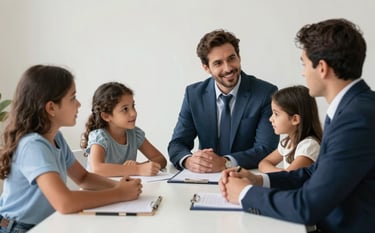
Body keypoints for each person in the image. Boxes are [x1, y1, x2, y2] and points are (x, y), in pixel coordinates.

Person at [219, 18, 375, 233]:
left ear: (322, 68)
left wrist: (245, 194)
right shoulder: (352, 108)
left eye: (303, 63)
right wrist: (258, 180)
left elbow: (308, 206)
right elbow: (314, 172)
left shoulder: (356, 118)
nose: (303, 73)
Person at [0, 65, 142, 232]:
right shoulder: (32, 145)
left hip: (46, 223)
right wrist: (119, 193)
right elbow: (65, 202)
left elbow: (83, 178)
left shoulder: (55, 137)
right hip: (19, 228)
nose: (79, 104)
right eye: (73, 98)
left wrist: (120, 186)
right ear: (51, 107)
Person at [168, 29, 279, 173]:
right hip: (205, 177)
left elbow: (266, 149)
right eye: (218, 63)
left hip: (247, 175)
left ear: (239, 57)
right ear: (206, 68)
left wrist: (226, 163)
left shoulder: (265, 93)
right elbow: (177, 144)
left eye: (231, 58)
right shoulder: (194, 94)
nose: (228, 68)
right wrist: (189, 161)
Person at [80, 82, 167, 177]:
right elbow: (97, 169)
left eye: (133, 106)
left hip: (122, 188)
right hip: (99, 190)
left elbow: (160, 159)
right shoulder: (100, 137)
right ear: (106, 116)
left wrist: (142, 166)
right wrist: (136, 170)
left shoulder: (134, 134)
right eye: (125, 109)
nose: (133, 113)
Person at [258, 85, 322, 173]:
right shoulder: (287, 142)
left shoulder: (309, 146)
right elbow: (263, 164)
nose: (270, 119)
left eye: (276, 114)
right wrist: (284, 172)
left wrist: (284, 174)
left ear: (295, 119)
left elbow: (289, 178)